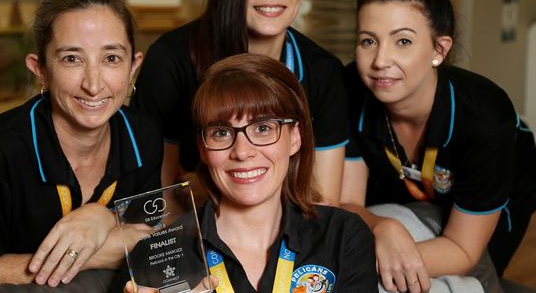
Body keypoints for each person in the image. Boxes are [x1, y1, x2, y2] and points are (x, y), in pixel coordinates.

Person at [0, 0, 162, 288]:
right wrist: (91, 253)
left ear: (133, 66)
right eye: (72, 58)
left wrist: (103, 217)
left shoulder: (143, 136)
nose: (94, 84)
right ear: (40, 68)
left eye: (111, 58)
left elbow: (144, 231)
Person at [341, 0, 536, 292]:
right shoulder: (349, 89)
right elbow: (348, 205)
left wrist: (376, 260)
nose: (380, 60)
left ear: (439, 49)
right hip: (411, 187)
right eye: (368, 41)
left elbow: (463, 249)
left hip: (494, 194)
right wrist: (382, 230)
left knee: (473, 276)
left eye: (403, 41)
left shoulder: (484, 120)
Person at [119, 54, 377, 293]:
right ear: (202, 148)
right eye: (221, 132)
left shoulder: (343, 236)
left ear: (295, 138)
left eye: (263, 128)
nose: (242, 152)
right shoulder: (156, 255)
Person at [131, 0, 348, 206]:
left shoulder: (324, 71)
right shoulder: (170, 60)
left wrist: (214, 186)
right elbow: (154, 202)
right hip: (192, 235)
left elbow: (324, 203)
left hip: (290, 240)